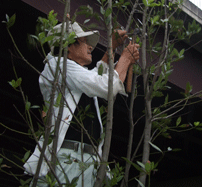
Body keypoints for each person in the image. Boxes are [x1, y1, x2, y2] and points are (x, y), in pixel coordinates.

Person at [24, 21, 139, 186]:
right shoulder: (58, 65)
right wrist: (125, 60)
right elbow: (106, 87)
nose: (90, 47)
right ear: (68, 46)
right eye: (84, 42)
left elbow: (95, 77)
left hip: (84, 160)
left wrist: (111, 48)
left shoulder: (71, 74)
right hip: (65, 159)